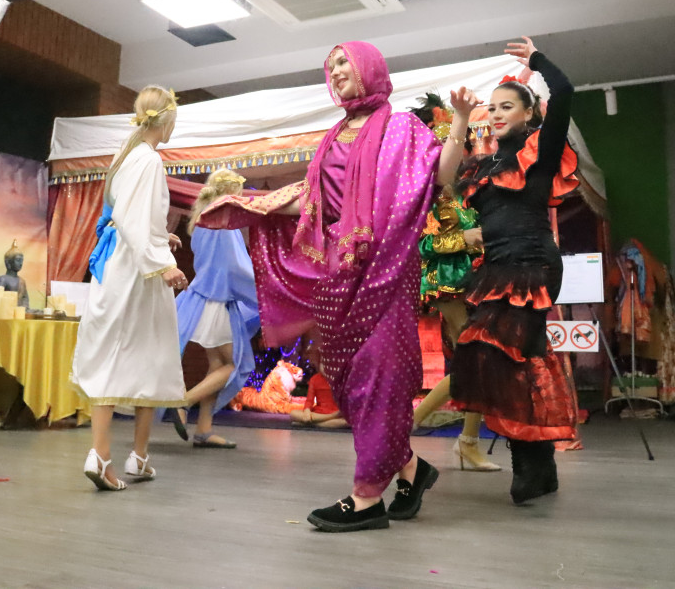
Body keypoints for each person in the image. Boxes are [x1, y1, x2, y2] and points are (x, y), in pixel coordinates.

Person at [199, 41, 478, 532]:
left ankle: (366, 497)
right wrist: (247, 206)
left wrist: (458, 122)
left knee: (379, 377)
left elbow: (439, 177)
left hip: (386, 270)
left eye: (344, 61)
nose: (337, 70)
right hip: (337, 275)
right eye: (331, 66)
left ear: (369, 66)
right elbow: (311, 205)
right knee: (347, 386)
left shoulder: (401, 128)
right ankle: (411, 470)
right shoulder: (329, 140)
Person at [449, 37, 580, 504]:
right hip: (497, 269)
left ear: (528, 113)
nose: (498, 113)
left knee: (506, 358)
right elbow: (445, 180)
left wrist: (538, 61)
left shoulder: (539, 151)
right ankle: (537, 465)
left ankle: (530, 466)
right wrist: (459, 120)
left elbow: (564, 92)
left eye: (507, 106)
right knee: (509, 363)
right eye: (493, 107)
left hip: (533, 266)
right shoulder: (483, 164)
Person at [71, 85, 189, 491]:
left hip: (121, 265)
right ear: (168, 119)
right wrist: (164, 265)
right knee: (136, 356)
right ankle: (108, 456)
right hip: (138, 273)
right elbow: (133, 220)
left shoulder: (126, 156)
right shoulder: (150, 159)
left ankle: (130, 457)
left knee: (133, 355)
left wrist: (162, 238)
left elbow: (132, 219)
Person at [408, 94, 501, 471]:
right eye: (448, 140)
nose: (457, 148)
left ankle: (466, 441)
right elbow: (418, 244)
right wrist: (463, 239)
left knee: (477, 360)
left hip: (472, 280)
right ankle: (409, 429)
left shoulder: (458, 190)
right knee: (474, 359)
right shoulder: (421, 189)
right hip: (444, 282)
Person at [171, 169, 260, 449]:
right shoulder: (222, 219)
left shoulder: (202, 217)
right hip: (219, 300)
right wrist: (260, 287)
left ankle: (204, 429)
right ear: (230, 192)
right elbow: (235, 265)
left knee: (217, 365)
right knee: (233, 365)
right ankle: (182, 402)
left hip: (205, 297)